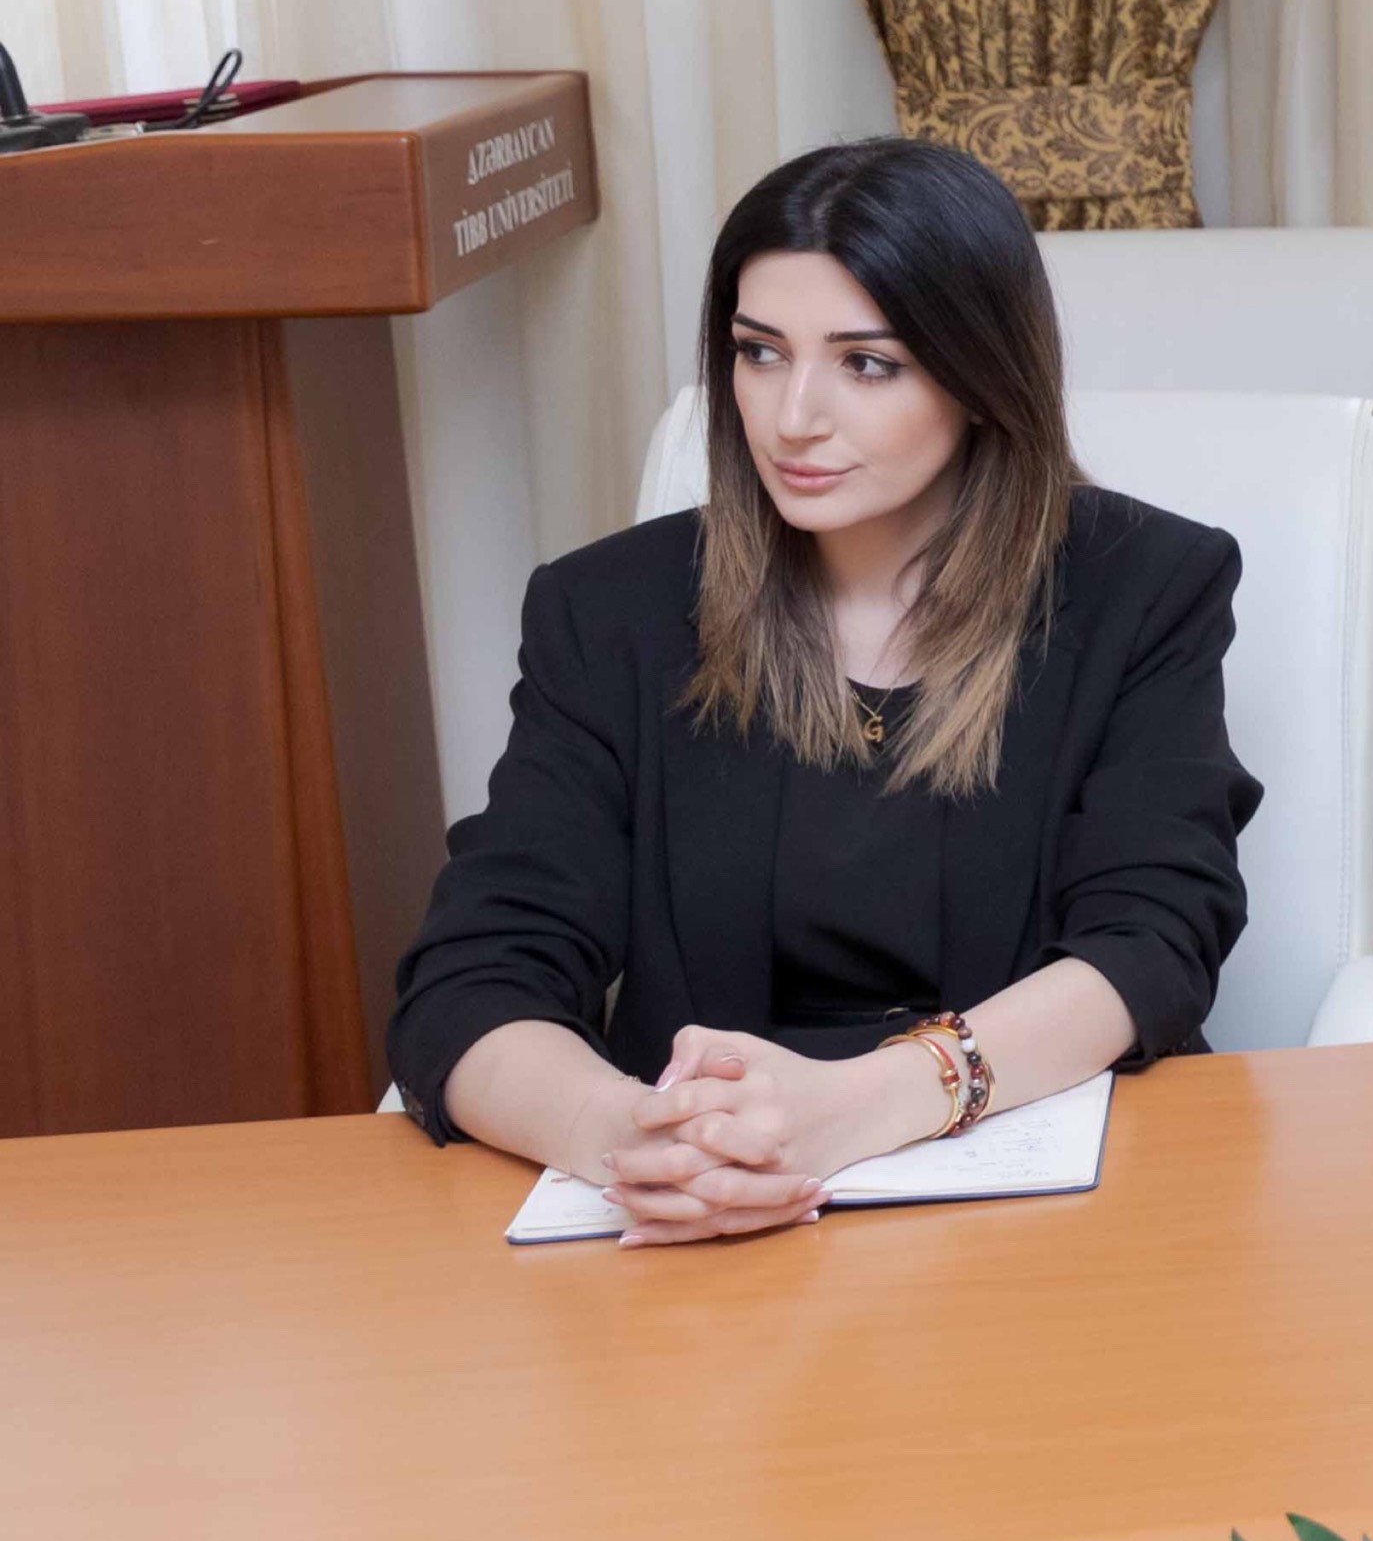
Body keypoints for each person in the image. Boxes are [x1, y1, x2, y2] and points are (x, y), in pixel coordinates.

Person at [388, 139, 1255, 1245]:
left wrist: (859, 1107)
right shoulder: (607, 611)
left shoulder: (1146, 585)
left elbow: (1153, 940)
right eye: (760, 353)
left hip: (1046, 1215)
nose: (793, 416)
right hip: (706, 1230)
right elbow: (474, 977)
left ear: (982, 374)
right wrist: (638, 1140)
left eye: (867, 364)